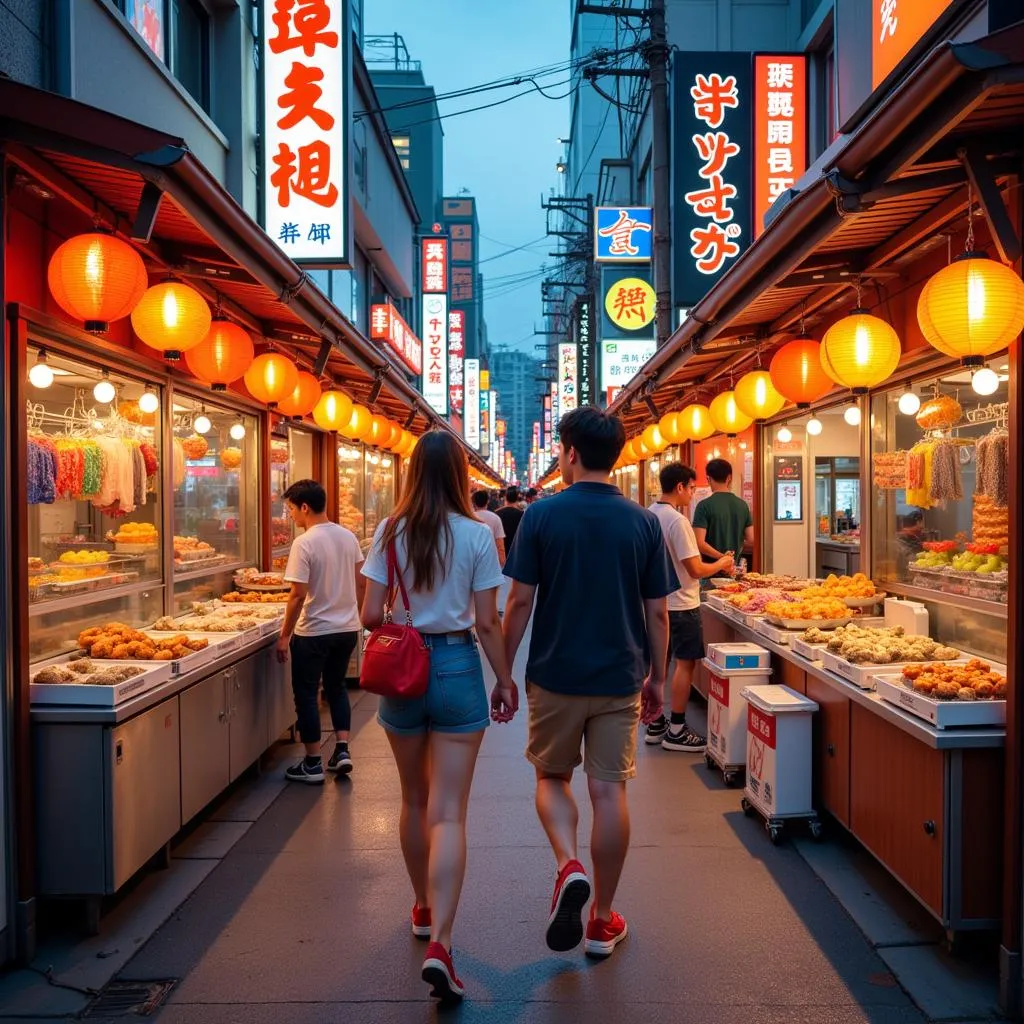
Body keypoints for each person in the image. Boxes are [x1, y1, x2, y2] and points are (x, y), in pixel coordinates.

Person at [503, 407, 677, 961]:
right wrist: (659, 678)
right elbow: (659, 613)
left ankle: (567, 865)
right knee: (610, 792)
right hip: (620, 675)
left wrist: (503, 672)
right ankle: (602, 920)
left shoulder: (543, 517)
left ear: (571, 452)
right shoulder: (643, 522)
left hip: (554, 673)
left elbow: (520, 601)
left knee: (552, 778)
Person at [360, 432, 519, 1005]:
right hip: (455, 667)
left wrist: (403, 608)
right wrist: (503, 679)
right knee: (449, 810)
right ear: (458, 475)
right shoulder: (478, 534)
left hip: (402, 670)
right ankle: (443, 945)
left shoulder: (388, 531)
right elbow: (487, 622)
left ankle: (423, 909)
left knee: (413, 800)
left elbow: (369, 613)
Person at [276, 480, 365, 783]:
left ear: (304, 507)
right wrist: (358, 617)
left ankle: (312, 762)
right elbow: (361, 581)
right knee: (337, 686)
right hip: (346, 629)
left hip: (313, 631)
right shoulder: (347, 536)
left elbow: (297, 594)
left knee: (307, 693)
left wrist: (285, 635)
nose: (290, 515)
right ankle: (341, 750)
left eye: (290, 509)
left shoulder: (304, 542)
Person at [646, 463, 736, 751]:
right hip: (682, 604)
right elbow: (695, 569)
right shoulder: (677, 521)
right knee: (685, 665)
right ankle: (676, 729)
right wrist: (722, 563)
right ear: (680, 487)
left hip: (655, 603)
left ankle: (655, 722)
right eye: (692, 487)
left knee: (658, 665)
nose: (693, 493)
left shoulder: (648, 514)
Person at [693, 458, 754, 571]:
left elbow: (699, 543)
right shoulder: (743, 505)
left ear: (708, 479)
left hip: (710, 572)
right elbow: (751, 538)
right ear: (729, 478)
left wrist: (722, 558)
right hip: (733, 570)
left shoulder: (703, 506)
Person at [472, 489, 506, 565]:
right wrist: (502, 563)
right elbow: (500, 545)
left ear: (473, 502)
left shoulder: (470, 517)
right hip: (490, 561)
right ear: (487, 501)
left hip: (472, 559)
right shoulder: (495, 518)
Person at [496, 486, 525, 554]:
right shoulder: (521, 514)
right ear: (517, 499)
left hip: (500, 550)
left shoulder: (497, 513)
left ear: (505, 498)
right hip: (516, 549)